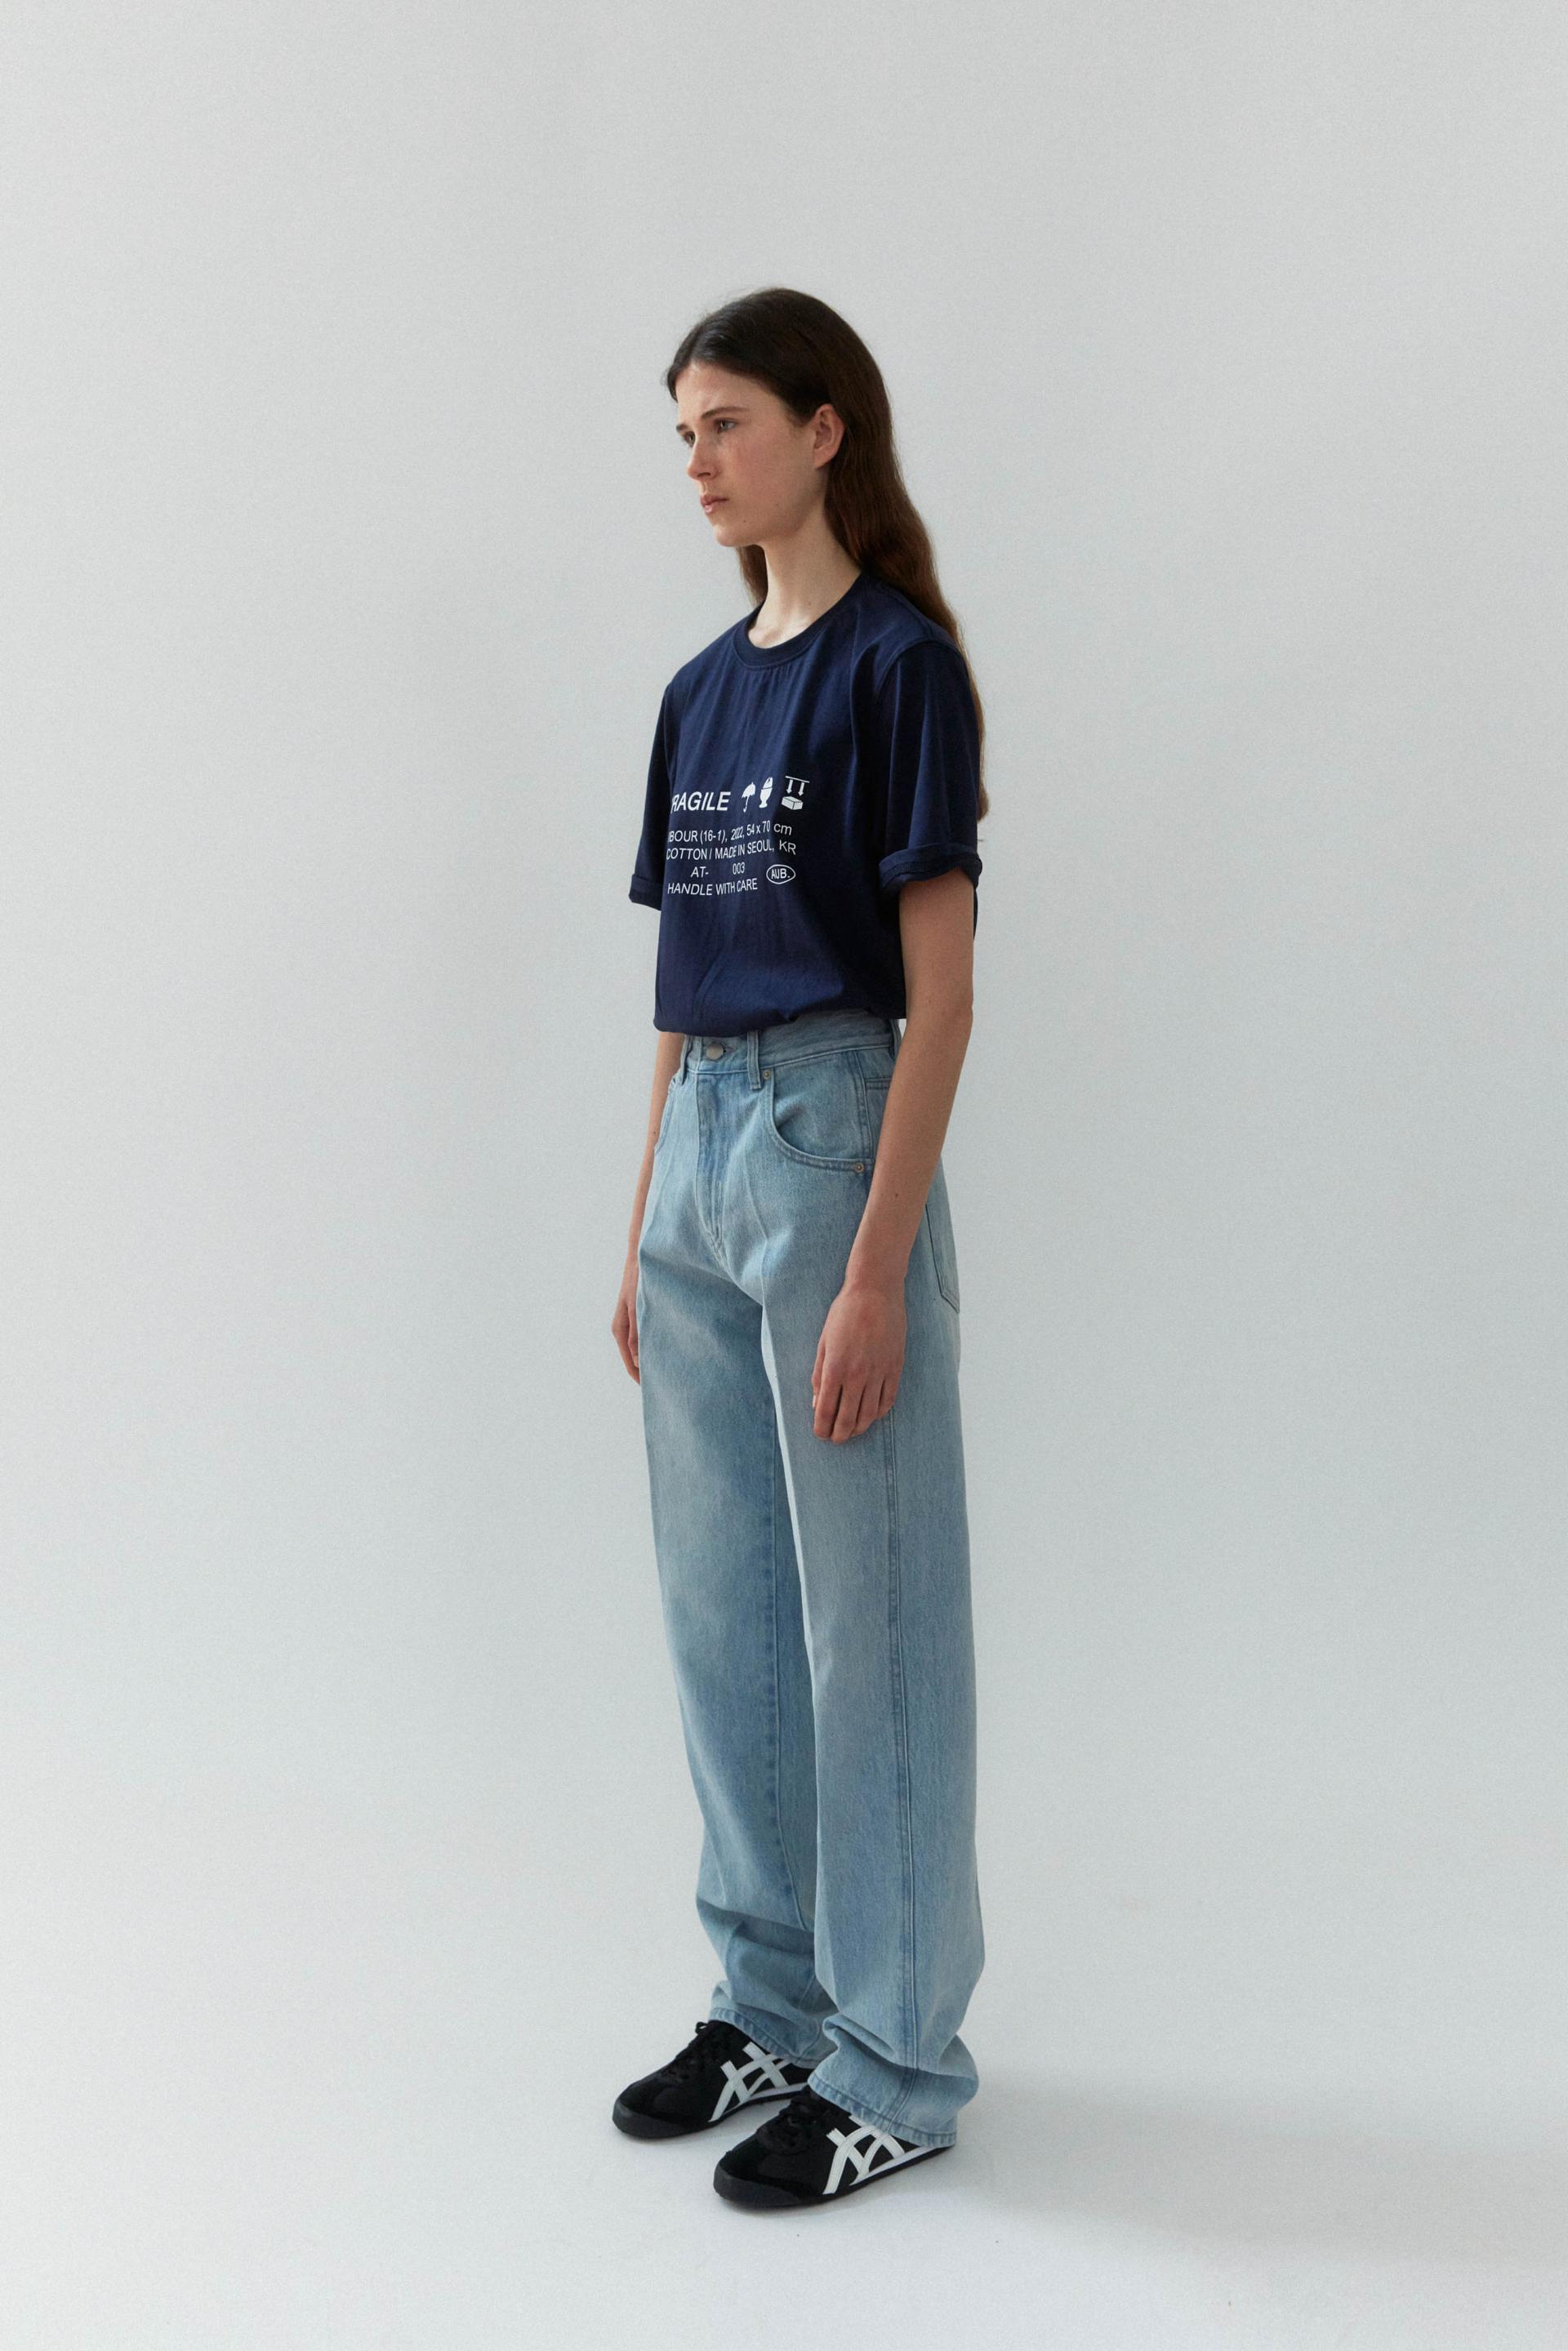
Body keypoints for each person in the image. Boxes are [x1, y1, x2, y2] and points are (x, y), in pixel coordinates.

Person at [609, 287, 988, 2211]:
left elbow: (943, 995)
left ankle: (899, 2057)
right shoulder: (701, 692)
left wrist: (876, 1271)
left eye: (727, 422)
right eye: (682, 431)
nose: (698, 460)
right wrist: (638, 1230)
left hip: (837, 1141)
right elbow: (678, 986)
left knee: (875, 1625)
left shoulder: (897, 668)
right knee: (727, 1616)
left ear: (825, 429)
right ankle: (768, 2001)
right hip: (701, 1150)